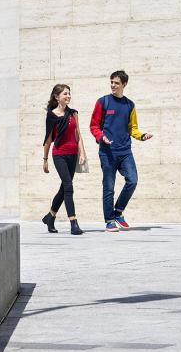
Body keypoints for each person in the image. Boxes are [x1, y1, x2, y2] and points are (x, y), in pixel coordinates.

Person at [89, 70, 153, 232]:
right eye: (111, 82)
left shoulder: (129, 105)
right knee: (109, 187)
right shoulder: (102, 102)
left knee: (132, 180)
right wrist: (101, 137)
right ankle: (109, 220)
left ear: (124, 84)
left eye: (117, 83)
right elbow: (94, 126)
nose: (113, 85)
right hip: (107, 152)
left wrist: (142, 136)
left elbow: (133, 128)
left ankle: (118, 211)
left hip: (125, 152)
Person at [41, 84, 87, 235]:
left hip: (73, 155)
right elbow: (48, 139)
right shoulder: (51, 116)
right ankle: (73, 222)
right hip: (59, 154)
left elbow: (78, 135)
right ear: (57, 96)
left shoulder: (73, 113)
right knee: (68, 186)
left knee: (64, 188)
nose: (68, 96)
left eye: (69, 93)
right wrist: (45, 159)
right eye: (65, 94)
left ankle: (50, 216)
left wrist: (82, 153)